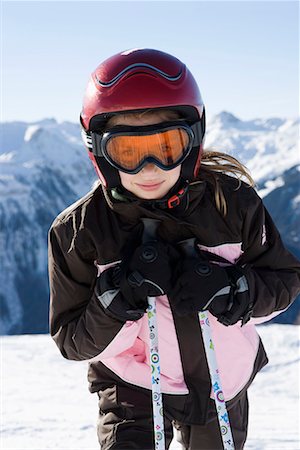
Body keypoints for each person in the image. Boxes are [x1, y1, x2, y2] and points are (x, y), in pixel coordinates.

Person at [48, 48, 300, 450]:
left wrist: (236, 290)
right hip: (133, 386)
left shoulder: (234, 204)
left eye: (166, 147)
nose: (150, 168)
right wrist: (116, 300)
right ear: (98, 149)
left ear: (194, 140)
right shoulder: (81, 232)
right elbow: (72, 340)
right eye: (128, 152)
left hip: (222, 381)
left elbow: (285, 281)